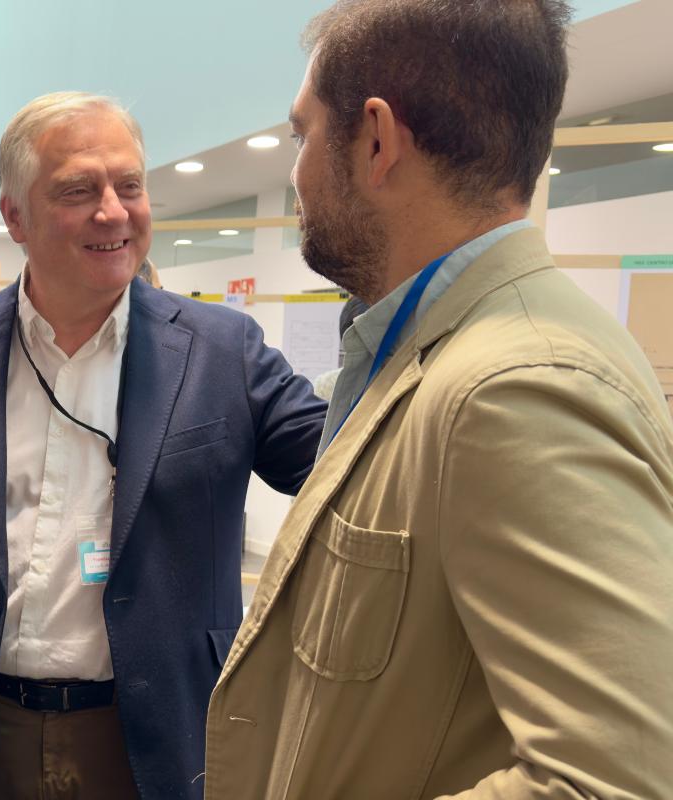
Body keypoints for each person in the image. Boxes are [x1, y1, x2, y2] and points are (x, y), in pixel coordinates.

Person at [205, 1, 673, 797]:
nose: (295, 173)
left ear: (377, 140)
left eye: (302, 135)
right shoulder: (430, 351)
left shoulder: (518, 386)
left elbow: (617, 780)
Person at [0, 91, 327, 800]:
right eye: (78, 191)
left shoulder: (219, 350)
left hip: (158, 734)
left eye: (130, 186)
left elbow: (343, 459)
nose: (113, 211)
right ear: (15, 216)